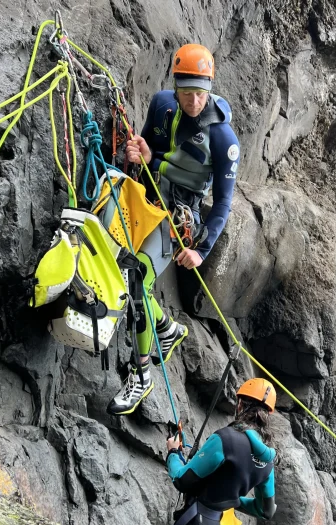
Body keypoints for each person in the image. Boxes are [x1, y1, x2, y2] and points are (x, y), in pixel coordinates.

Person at [107, 43, 240, 416]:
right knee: (121, 272)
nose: (194, 102)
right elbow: (148, 145)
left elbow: (224, 203)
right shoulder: (162, 104)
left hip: (177, 218)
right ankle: (166, 329)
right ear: (176, 86)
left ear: (210, 89)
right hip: (144, 200)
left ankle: (141, 376)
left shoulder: (224, 140)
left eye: (200, 94)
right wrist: (139, 153)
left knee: (136, 283)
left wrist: (202, 249)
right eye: (187, 93)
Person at [136, 378, 278, 525]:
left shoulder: (226, 439)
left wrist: (173, 453)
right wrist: (234, 499)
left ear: (240, 404)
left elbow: (182, 480)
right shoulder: (268, 459)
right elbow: (265, 511)